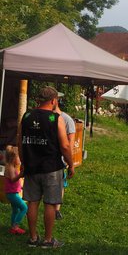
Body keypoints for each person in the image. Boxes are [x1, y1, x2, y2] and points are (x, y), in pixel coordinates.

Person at [18, 86, 75, 248]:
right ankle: (48, 240)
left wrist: (23, 163)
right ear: (53, 100)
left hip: (31, 167)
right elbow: (64, 146)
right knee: (50, 203)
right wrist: (71, 164)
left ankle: (33, 238)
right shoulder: (57, 119)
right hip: (52, 168)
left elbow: (20, 142)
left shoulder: (26, 116)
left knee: (33, 202)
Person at [54, 92, 76, 220]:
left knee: (60, 185)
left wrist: (68, 160)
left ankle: (57, 209)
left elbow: (70, 144)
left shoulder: (67, 120)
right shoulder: (50, 117)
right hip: (52, 160)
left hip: (61, 159)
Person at [4, 145, 28, 235]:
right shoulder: (10, 167)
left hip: (13, 193)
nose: (20, 159)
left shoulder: (12, 167)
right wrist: (20, 175)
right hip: (12, 194)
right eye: (19, 157)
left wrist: (20, 186)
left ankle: (12, 228)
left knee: (15, 210)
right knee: (24, 208)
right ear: (13, 158)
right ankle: (15, 226)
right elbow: (13, 179)